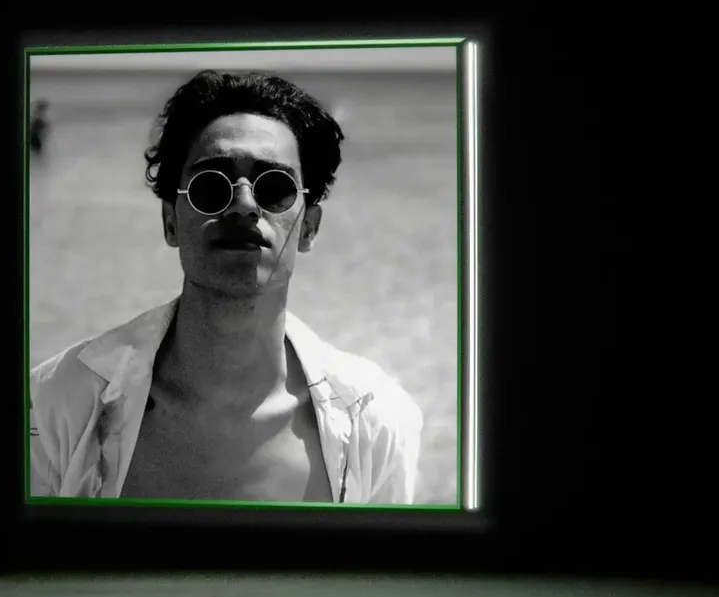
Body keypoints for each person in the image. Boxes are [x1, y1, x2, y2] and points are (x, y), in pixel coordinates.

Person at [29, 70, 423, 504]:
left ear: (309, 227)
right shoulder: (58, 402)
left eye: (274, 187)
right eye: (210, 185)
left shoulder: (375, 421)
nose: (243, 204)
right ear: (170, 220)